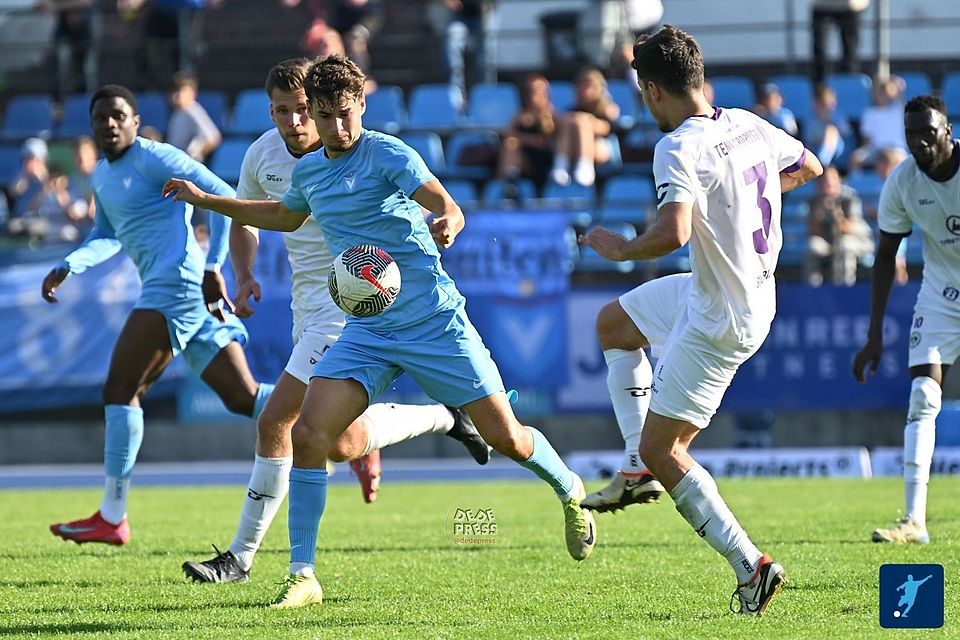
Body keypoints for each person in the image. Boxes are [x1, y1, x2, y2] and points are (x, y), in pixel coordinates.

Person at [164, 53, 597, 609]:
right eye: (323, 116)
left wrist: (448, 220)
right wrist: (207, 200)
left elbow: (443, 199)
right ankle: (303, 575)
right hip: (365, 329)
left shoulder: (387, 152)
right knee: (309, 436)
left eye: (344, 114)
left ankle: (568, 487)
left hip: (432, 322)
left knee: (506, 438)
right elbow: (278, 217)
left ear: (361, 105)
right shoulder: (312, 170)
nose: (335, 127)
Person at [180, 57, 492, 584]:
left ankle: (240, 557)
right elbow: (252, 217)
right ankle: (444, 416)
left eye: (304, 110)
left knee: (275, 419)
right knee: (339, 442)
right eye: (283, 111)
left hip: (353, 305)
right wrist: (244, 273)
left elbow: (428, 197)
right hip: (309, 305)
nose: (294, 122)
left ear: (323, 109)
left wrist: (444, 219)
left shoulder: (367, 153)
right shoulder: (263, 156)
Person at [577, 26, 821, 615]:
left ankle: (751, 566)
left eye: (641, 91)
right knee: (614, 325)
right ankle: (637, 469)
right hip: (723, 291)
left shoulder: (678, 146)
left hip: (722, 316)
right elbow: (809, 166)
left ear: (653, 89)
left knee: (672, 450)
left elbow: (674, 232)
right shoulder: (747, 122)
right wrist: (739, 206)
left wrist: (618, 249)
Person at [43, 84, 274, 546]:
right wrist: (71, 264)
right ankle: (342, 426)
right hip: (170, 288)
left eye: (117, 115)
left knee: (121, 388)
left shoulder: (155, 157)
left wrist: (214, 266)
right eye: (99, 118)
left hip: (177, 284)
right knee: (242, 398)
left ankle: (112, 515)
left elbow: (223, 195)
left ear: (133, 120)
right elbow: (107, 235)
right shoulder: (105, 176)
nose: (108, 123)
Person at [853, 95, 960, 545]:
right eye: (912, 134)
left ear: (948, 131)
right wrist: (874, 333)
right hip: (942, 294)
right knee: (922, 397)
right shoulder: (902, 182)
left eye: (928, 132)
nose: (919, 142)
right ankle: (914, 521)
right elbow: (884, 258)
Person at [549, 67, 619, 188]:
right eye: (583, 85)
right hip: (572, 149)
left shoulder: (607, 109)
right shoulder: (571, 110)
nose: (586, 90)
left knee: (582, 121)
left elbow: (607, 128)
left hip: (602, 149)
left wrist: (587, 122)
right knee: (569, 120)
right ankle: (561, 164)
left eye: (590, 86)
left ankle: (585, 165)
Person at [805, 165, 874, 286]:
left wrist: (837, 215)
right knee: (813, 246)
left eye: (832, 179)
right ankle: (812, 290)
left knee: (844, 245)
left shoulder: (849, 198)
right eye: (824, 181)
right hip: (829, 242)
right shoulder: (814, 200)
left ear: (839, 180)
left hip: (857, 240)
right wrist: (818, 212)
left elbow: (849, 229)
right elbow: (812, 232)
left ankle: (843, 289)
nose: (828, 183)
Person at [496, 73, 557, 194]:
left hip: (546, 159)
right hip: (526, 160)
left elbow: (553, 139)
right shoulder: (519, 117)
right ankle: (510, 182)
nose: (534, 95)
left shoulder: (554, 116)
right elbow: (508, 135)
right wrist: (528, 140)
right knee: (510, 144)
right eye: (531, 91)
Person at [38, 0, 101, 102]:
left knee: (88, 70)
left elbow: (87, 2)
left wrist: (58, 6)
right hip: (63, 28)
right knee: (61, 65)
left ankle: (88, 102)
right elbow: (42, 4)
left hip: (87, 25)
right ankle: (60, 103)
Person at [166, 71, 222, 163]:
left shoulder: (192, 111)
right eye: (173, 91)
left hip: (186, 167)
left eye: (181, 91)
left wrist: (194, 156)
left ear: (192, 93)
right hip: (174, 162)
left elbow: (213, 137)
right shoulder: (177, 113)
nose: (175, 96)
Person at [811, 0, 869, 84]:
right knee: (819, 49)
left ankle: (849, 83)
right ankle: (821, 87)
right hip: (821, 5)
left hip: (851, 5)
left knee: (850, 50)